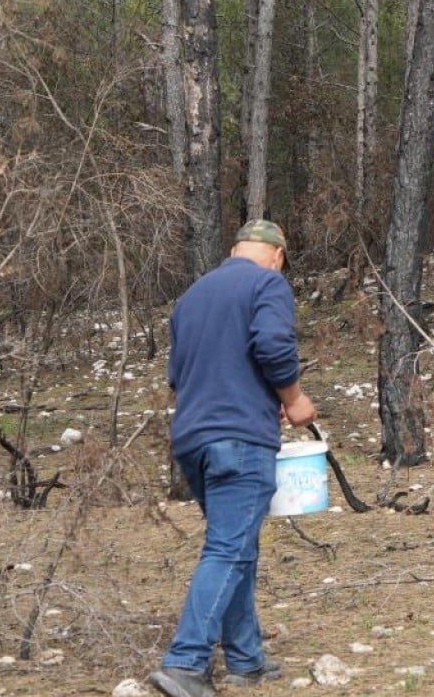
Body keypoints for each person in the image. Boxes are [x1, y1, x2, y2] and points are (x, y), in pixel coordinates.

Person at [149, 219, 317, 697]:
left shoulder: (191, 297)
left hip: (191, 440)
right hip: (240, 440)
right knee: (227, 548)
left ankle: (247, 660)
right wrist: (293, 399)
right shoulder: (269, 283)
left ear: (233, 249)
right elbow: (272, 345)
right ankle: (185, 663)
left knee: (236, 543)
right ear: (278, 255)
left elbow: (178, 376)